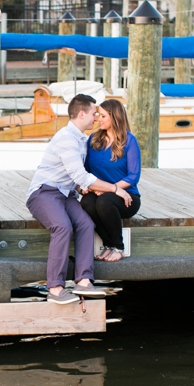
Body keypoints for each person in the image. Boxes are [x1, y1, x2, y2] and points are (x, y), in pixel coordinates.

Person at [26, 94, 122, 305]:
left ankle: (84, 281)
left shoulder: (81, 139)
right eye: (93, 113)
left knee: (86, 224)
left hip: (66, 193)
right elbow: (81, 176)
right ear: (81, 114)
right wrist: (115, 189)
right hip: (43, 193)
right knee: (62, 227)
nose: (96, 118)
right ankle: (55, 288)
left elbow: (76, 178)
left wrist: (85, 188)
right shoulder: (66, 139)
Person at [81, 99, 142, 263]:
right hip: (98, 191)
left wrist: (111, 188)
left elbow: (133, 176)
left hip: (126, 197)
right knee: (86, 203)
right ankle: (108, 244)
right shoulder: (94, 139)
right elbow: (86, 170)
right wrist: (91, 188)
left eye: (102, 116)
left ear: (114, 117)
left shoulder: (129, 141)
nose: (98, 119)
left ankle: (118, 247)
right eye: (97, 115)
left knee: (104, 202)